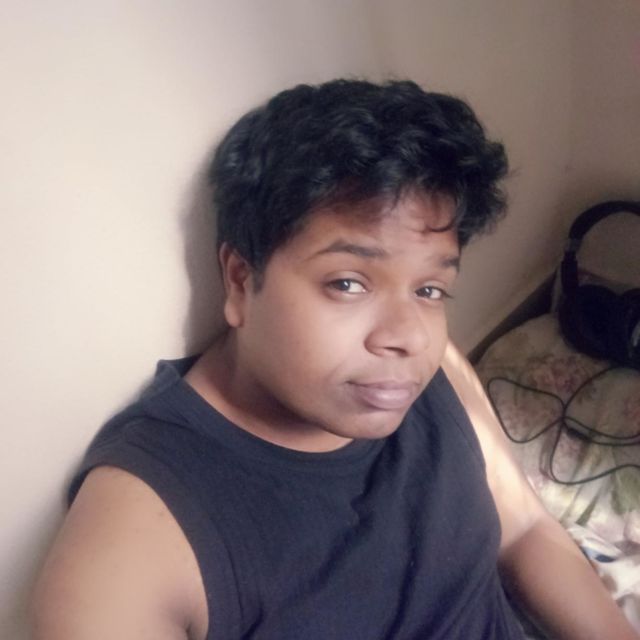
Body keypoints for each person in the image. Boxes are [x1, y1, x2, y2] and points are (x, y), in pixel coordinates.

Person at [31, 79, 638, 640]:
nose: (408, 337)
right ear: (240, 280)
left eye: (429, 289)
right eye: (348, 283)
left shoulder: (431, 367)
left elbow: (525, 529)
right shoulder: (138, 538)